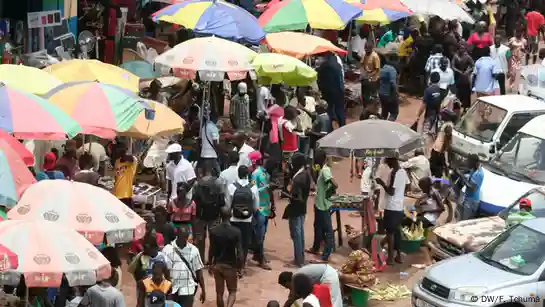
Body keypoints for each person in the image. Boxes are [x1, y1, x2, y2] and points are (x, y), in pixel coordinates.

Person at [225, 165, 259, 271]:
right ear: (247, 174)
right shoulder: (253, 187)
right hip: (247, 220)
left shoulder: (231, 187)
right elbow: (256, 206)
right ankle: (242, 265)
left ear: (238, 174)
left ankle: (233, 263)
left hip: (234, 219)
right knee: (244, 243)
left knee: (233, 242)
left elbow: (228, 205)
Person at [163, 225, 206, 307]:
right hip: (171, 289)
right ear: (177, 235)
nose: (184, 239)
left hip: (188, 289)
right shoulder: (167, 249)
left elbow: (199, 272)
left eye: (186, 237)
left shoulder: (194, 250)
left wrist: (203, 290)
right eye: (182, 237)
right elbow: (164, 270)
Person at [375, 157, 408, 265]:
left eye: (388, 163)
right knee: (396, 231)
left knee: (390, 233)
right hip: (399, 206)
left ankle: (390, 258)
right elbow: (408, 185)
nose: (388, 165)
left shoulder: (394, 173)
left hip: (391, 206)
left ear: (392, 161)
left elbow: (391, 192)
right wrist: (401, 194)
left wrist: (382, 183)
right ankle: (398, 256)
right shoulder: (403, 171)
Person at [209, 207, 243, 307]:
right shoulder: (236, 231)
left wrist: (210, 263)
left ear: (220, 216)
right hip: (230, 265)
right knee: (232, 291)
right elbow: (240, 252)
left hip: (217, 264)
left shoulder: (214, 231)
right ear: (231, 215)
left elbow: (211, 249)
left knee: (219, 293)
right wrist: (240, 267)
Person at [307, 149, 337, 263]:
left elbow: (334, 184)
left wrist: (330, 191)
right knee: (317, 226)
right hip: (318, 203)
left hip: (323, 205)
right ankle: (315, 247)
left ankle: (326, 255)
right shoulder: (321, 169)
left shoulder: (325, 170)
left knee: (328, 230)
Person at [282, 153, 311, 267]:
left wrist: (285, 194)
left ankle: (298, 260)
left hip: (295, 208)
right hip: (302, 208)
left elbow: (296, 197)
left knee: (296, 235)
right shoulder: (306, 174)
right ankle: (300, 258)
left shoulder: (298, 178)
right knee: (300, 234)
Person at [192, 164, 224, 264]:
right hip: (214, 215)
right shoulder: (218, 182)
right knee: (214, 238)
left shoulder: (197, 183)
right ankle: (212, 259)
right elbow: (222, 200)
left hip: (200, 215)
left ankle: (201, 260)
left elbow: (194, 199)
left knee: (200, 239)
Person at [411, 177, 444, 268]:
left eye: (421, 186)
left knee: (422, 241)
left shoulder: (434, 193)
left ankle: (428, 261)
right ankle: (429, 257)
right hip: (425, 216)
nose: (421, 188)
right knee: (409, 214)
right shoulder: (426, 194)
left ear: (426, 186)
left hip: (430, 217)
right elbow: (417, 205)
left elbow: (442, 208)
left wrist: (428, 210)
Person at [251, 158, 276, 270]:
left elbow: (270, 191)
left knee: (263, 233)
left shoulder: (267, 174)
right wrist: (267, 187)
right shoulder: (256, 174)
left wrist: (273, 203)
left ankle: (258, 255)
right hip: (259, 207)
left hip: (266, 207)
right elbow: (253, 190)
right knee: (259, 234)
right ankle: (261, 259)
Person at [317, 52, 344, 127]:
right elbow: (340, 80)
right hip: (338, 91)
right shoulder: (337, 66)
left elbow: (319, 80)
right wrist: (342, 90)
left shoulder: (322, 67)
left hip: (327, 92)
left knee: (329, 109)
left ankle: (330, 126)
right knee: (340, 110)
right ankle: (342, 125)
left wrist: (321, 90)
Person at [456, 154, 484, 220]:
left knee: (465, 221)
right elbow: (467, 170)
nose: (468, 164)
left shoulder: (479, 174)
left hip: (471, 201)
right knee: (459, 217)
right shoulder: (474, 168)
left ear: (474, 162)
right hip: (467, 197)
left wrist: (461, 175)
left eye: (469, 162)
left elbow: (472, 188)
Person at [112, 141, 138, 209]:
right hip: (116, 193)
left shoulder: (132, 161)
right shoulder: (117, 161)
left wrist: (125, 153)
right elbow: (116, 177)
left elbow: (132, 158)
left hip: (126, 194)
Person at [418, 72, 442, 137]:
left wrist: (418, 115)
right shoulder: (438, 89)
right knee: (430, 131)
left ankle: (422, 146)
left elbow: (423, 106)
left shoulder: (428, 90)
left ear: (430, 79)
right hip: (435, 115)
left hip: (429, 115)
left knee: (424, 134)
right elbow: (439, 103)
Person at [452, 43, 475, 110]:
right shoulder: (455, 56)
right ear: (458, 49)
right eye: (460, 48)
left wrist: (468, 71)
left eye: (463, 49)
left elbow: (473, 65)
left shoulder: (467, 57)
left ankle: (466, 107)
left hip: (465, 77)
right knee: (458, 92)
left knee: (466, 92)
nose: (461, 50)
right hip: (458, 76)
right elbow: (452, 66)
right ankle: (458, 107)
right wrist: (458, 71)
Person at [199, 110, 220, 176]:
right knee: (216, 174)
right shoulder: (214, 128)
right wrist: (221, 151)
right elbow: (215, 143)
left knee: (205, 176)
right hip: (211, 156)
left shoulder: (204, 127)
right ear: (216, 118)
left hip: (203, 155)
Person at [378, 56, 398, 121]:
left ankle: (381, 126)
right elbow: (393, 83)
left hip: (381, 94)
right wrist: (396, 93)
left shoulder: (380, 69)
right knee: (394, 113)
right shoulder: (391, 69)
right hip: (389, 94)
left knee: (384, 112)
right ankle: (388, 125)